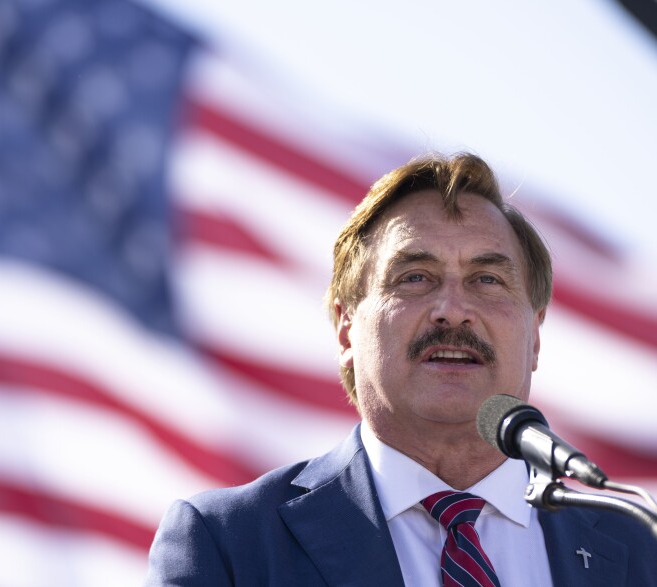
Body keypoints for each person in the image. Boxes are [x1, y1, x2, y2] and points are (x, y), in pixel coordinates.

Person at [144, 152, 657, 586]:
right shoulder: (229, 544)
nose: (453, 309)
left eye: (487, 280)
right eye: (414, 277)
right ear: (347, 329)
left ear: (536, 334)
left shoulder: (637, 546)